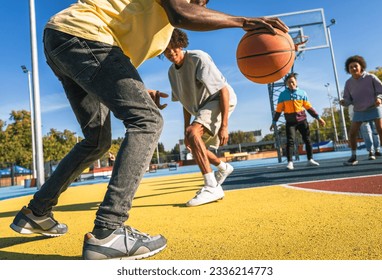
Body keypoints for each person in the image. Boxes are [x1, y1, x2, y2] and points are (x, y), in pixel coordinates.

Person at [9, 0, 289, 260]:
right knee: (148, 121)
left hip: (64, 40)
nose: (200, 5)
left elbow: (110, 63)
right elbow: (182, 12)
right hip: (85, 36)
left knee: (97, 140)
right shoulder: (176, 11)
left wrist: (141, 90)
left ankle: (36, 212)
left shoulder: (160, 26)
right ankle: (108, 231)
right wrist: (244, 21)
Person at [163, 28, 236, 207]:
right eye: (166, 49)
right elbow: (185, 102)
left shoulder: (198, 58)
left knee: (193, 133)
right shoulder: (171, 73)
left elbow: (223, 90)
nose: (171, 52)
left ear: (181, 44)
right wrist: (185, 131)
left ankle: (212, 186)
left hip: (219, 100)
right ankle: (223, 167)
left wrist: (225, 125)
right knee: (193, 143)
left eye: (174, 47)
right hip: (201, 108)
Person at [340, 55, 382, 166]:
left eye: (355, 66)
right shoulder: (348, 83)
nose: (353, 68)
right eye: (350, 67)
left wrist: (380, 99)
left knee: (381, 130)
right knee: (352, 133)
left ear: (361, 66)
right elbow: (348, 99)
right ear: (348, 70)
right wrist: (344, 102)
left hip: (374, 108)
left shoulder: (371, 77)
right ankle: (353, 157)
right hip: (359, 111)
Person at [270, 73, 326, 170]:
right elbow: (278, 110)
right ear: (286, 84)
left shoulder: (302, 93)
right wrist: (274, 122)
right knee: (290, 141)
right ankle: (290, 162)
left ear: (296, 82)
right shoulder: (283, 95)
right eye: (288, 83)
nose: (291, 84)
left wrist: (318, 117)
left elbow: (309, 108)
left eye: (292, 82)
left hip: (302, 121)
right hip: (290, 123)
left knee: (307, 140)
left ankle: (310, 159)